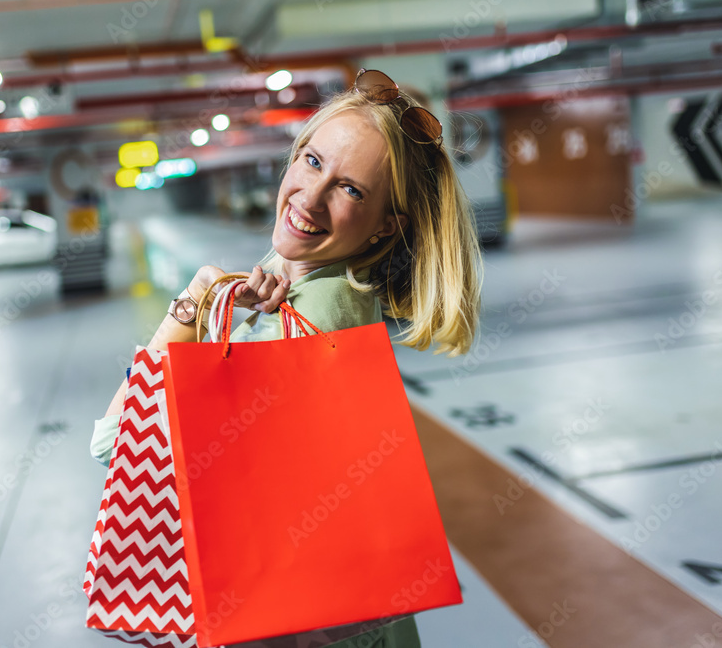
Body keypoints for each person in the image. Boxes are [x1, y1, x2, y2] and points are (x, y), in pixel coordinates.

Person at [90, 69, 483, 648]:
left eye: (351, 190)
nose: (312, 197)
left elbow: (118, 444)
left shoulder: (318, 315)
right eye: (313, 162)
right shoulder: (298, 278)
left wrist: (196, 299)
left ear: (385, 227)